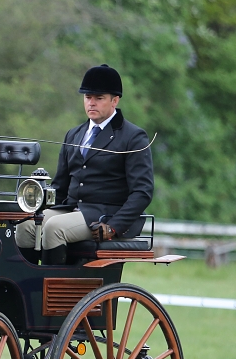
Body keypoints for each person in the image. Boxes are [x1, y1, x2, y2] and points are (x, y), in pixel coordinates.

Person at [15, 64, 154, 265]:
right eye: (88, 97)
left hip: (103, 214)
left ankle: (52, 292)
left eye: (99, 98)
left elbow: (142, 192)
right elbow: (60, 186)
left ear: (115, 100)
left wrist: (113, 226)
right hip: (70, 209)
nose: (92, 103)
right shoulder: (74, 134)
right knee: (25, 225)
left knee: (54, 227)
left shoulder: (133, 137)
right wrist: (36, 205)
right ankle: (26, 288)